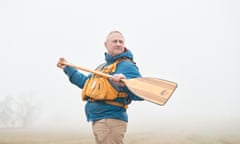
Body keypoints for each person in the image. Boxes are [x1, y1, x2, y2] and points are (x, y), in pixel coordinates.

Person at [57, 31, 144, 144]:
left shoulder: (127, 66)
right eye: (114, 41)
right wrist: (68, 68)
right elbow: (85, 83)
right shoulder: (102, 67)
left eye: (121, 41)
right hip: (99, 120)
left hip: (111, 121)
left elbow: (141, 93)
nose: (118, 44)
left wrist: (124, 84)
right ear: (106, 45)